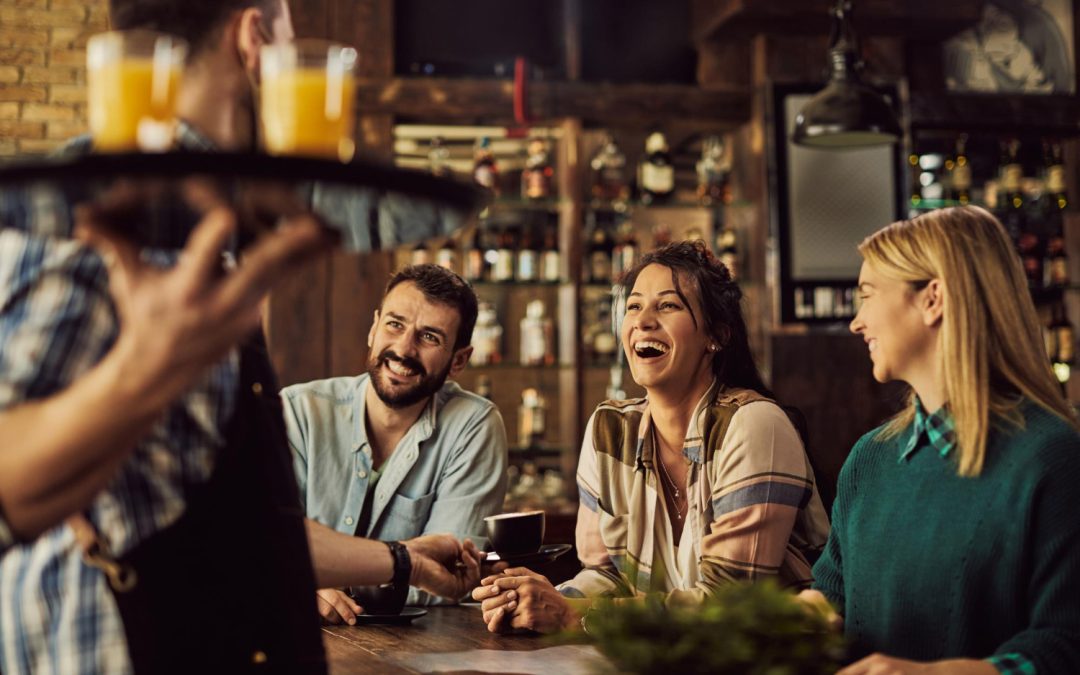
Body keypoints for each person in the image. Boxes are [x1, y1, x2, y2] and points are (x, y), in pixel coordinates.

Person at [0, 1, 478, 673]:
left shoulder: (213, 228)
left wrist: (404, 560)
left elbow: (233, 521)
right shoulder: (113, 216)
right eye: (290, 33)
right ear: (255, 37)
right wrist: (145, 366)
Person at [474, 240, 830, 633]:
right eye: (633, 306)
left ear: (717, 336)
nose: (642, 321)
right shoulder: (610, 429)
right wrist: (534, 601)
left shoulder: (754, 424)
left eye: (668, 305)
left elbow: (729, 606)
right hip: (661, 657)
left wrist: (572, 615)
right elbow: (606, 576)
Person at [802, 206, 1080, 674]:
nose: (856, 321)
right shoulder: (870, 460)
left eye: (867, 295)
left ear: (933, 299)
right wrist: (743, 624)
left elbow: (1067, 643)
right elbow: (832, 599)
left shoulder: (1053, 458)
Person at [283, 263, 508, 622]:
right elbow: (258, 544)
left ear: (459, 360)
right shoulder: (297, 412)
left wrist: (316, 576)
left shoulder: (473, 426)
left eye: (430, 337)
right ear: (374, 328)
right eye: (395, 324)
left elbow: (449, 579)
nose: (404, 349)